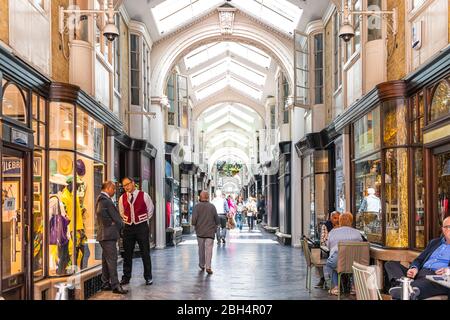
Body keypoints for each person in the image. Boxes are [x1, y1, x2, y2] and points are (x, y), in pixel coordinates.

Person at [385, 216, 450, 300]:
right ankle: (405, 287)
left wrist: (447, 270)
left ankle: (406, 289)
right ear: (442, 229)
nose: (448, 229)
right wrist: (414, 268)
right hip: (419, 274)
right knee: (390, 264)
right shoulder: (435, 242)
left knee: (423, 284)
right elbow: (419, 260)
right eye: (446, 227)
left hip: (437, 278)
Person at [118, 177, 155, 286]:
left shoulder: (144, 195)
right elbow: (121, 212)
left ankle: (148, 277)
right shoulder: (122, 198)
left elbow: (150, 209)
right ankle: (126, 277)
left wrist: (142, 219)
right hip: (128, 228)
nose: (126, 187)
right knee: (127, 254)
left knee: (145, 253)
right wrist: (129, 220)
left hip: (141, 227)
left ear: (133, 183)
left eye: (127, 184)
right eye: (124, 186)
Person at [96, 181, 127, 294]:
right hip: (108, 236)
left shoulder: (101, 199)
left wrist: (108, 222)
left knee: (106, 261)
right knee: (112, 261)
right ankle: (115, 286)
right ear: (108, 188)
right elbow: (116, 218)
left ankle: (105, 283)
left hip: (105, 235)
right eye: (113, 189)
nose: (114, 191)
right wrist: (114, 223)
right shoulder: (105, 200)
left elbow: (101, 214)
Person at [325, 212, 363, 296]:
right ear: (351, 222)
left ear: (340, 221)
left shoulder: (333, 232)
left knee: (329, 264)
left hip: (338, 261)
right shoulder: (357, 233)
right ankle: (354, 287)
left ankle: (336, 287)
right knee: (354, 264)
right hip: (354, 262)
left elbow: (328, 246)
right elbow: (361, 245)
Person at [192, 191, 220, 275]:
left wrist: (194, 225)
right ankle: (208, 267)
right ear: (207, 197)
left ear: (200, 197)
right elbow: (217, 219)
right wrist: (216, 226)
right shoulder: (212, 207)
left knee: (201, 249)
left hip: (200, 231)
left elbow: (194, 219)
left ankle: (201, 264)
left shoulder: (197, 207)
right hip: (210, 232)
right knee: (209, 249)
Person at [315, 211, 341, 289]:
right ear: (331, 218)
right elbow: (322, 241)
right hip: (327, 249)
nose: (337, 220)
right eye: (335, 218)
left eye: (338, 218)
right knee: (318, 255)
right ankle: (322, 278)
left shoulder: (342, 226)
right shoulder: (326, 226)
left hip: (338, 250)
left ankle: (339, 282)